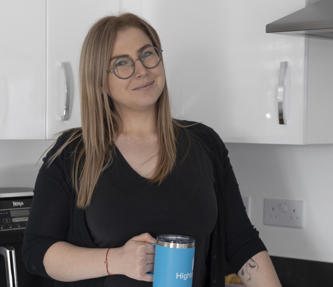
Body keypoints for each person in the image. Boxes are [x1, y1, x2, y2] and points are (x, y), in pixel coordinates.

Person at [22, 13, 282, 287]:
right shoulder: (71, 156)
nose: (142, 70)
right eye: (121, 63)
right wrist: (116, 259)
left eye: (148, 54)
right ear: (99, 81)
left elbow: (242, 243)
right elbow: (37, 252)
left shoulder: (204, 143)